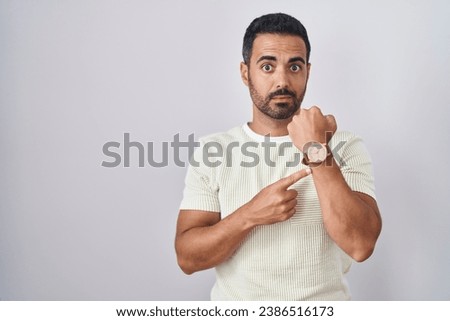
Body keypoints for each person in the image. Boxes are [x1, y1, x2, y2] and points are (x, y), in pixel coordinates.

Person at [175, 13, 382, 300]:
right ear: (245, 72)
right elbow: (187, 258)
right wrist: (250, 215)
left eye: (294, 66)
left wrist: (316, 149)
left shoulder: (345, 146)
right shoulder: (214, 150)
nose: (282, 80)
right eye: (267, 66)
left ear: (307, 71)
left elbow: (361, 245)